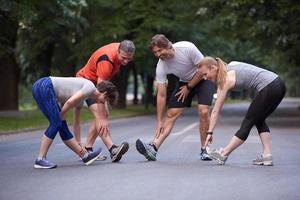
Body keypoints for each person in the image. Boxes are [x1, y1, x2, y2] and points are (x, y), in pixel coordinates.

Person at [135, 34, 215, 161]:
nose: (158, 55)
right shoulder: (161, 65)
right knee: (171, 114)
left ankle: (205, 149)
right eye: (155, 52)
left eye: (160, 50)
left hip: (204, 78)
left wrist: (189, 87)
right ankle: (153, 148)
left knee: (203, 111)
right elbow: (161, 95)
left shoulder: (187, 48)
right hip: (185, 83)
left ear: (168, 45)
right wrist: (159, 120)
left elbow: (202, 69)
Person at [198, 57, 286, 166]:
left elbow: (215, 111)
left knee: (247, 122)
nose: (205, 78)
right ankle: (267, 155)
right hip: (279, 83)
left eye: (205, 74)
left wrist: (209, 132)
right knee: (259, 119)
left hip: (268, 87)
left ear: (213, 68)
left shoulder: (225, 80)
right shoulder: (232, 64)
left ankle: (224, 153)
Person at [32, 76, 118, 169]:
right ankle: (40, 159)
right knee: (56, 123)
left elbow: (70, 110)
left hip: (41, 86)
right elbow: (69, 103)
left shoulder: (84, 94)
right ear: (105, 94)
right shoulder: (90, 87)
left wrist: (61, 118)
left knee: (62, 127)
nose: (105, 102)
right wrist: (60, 115)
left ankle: (85, 155)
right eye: (107, 100)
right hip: (45, 86)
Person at [75, 40, 135, 162]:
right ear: (118, 51)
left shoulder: (123, 47)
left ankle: (88, 149)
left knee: (104, 114)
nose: (125, 61)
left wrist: (103, 116)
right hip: (85, 82)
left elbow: (102, 86)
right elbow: (100, 92)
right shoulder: (106, 61)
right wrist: (102, 119)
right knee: (100, 115)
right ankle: (112, 149)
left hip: (95, 84)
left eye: (129, 59)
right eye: (123, 58)